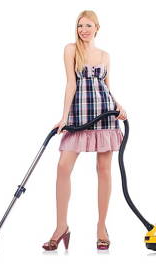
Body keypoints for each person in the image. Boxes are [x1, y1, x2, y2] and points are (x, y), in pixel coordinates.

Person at [42, 10, 127, 251]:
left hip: (105, 116)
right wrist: (64, 117)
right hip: (79, 117)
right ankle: (61, 227)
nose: (84, 29)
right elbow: (70, 83)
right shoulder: (71, 49)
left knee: (103, 170)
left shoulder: (105, 55)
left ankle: (102, 227)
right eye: (80, 25)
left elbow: (107, 88)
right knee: (63, 167)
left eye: (88, 25)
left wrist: (118, 105)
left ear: (97, 28)